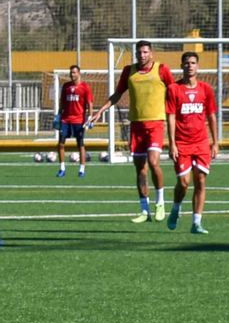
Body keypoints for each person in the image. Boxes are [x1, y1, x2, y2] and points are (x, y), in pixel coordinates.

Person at [91, 40, 172, 223]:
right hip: (136, 125)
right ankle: (145, 211)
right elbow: (118, 94)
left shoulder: (161, 69)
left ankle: (160, 203)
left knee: (153, 162)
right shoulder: (129, 71)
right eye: (139, 52)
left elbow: (173, 91)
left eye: (145, 52)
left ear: (151, 54)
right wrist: (99, 112)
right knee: (140, 170)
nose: (142, 55)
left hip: (156, 124)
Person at [164, 51, 217, 234]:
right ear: (182, 66)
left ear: (198, 66)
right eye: (186, 63)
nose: (190, 66)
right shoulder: (173, 89)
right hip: (182, 143)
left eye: (193, 62)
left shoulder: (206, 89)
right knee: (184, 182)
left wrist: (215, 143)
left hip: (201, 143)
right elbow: (170, 116)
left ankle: (196, 223)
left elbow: (211, 116)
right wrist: (172, 143)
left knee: (200, 181)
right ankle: (176, 208)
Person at [55, 65, 92, 178]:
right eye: (71, 73)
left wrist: (89, 118)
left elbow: (89, 104)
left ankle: (82, 170)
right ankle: (62, 168)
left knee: (80, 144)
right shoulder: (65, 87)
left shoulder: (85, 87)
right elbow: (62, 103)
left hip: (78, 120)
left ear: (79, 74)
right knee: (61, 143)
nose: (72, 75)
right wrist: (58, 117)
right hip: (65, 119)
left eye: (74, 72)